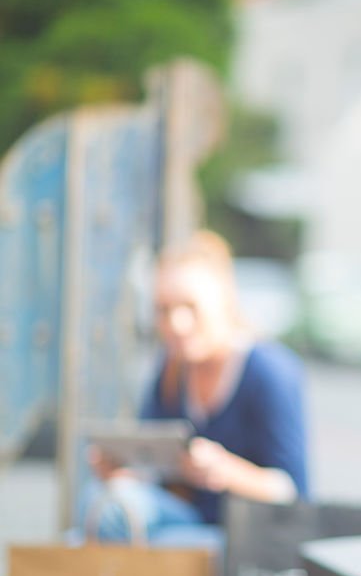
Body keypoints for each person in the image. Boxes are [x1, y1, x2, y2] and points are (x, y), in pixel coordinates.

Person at [86, 230, 309, 545]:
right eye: (163, 310)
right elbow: (156, 470)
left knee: (163, 541)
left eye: (190, 307)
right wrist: (125, 469)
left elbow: (292, 493)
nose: (176, 324)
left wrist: (226, 471)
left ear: (224, 300)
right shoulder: (171, 368)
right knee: (101, 502)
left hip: (245, 538)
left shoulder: (270, 372)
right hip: (183, 518)